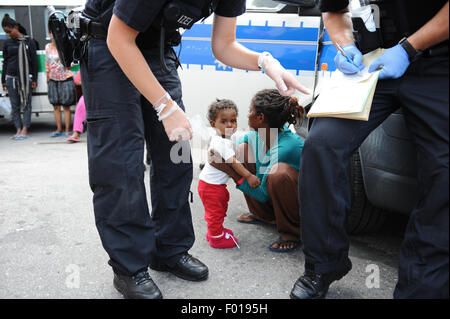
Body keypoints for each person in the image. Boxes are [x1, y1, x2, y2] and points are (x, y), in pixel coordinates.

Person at [79, 0, 310, 299]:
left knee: (176, 156)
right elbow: (119, 38)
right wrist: (164, 106)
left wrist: (266, 62)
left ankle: (170, 250)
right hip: (110, 48)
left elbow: (224, 45)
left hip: (157, 52)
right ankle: (129, 267)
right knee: (121, 166)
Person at [290, 0, 449, 299]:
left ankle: (423, 287)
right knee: (321, 145)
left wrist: (408, 48)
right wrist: (346, 46)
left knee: (445, 172)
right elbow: (334, 12)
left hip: (439, 64)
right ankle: (323, 264)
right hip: (374, 62)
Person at [209, 89, 304, 253]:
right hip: (271, 193)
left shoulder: (287, 146)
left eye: (250, 111)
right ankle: (264, 215)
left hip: (299, 204)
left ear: (260, 118)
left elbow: (265, 194)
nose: (247, 115)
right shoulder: (257, 135)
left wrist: (233, 173)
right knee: (240, 151)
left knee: (278, 173)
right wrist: (217, 151)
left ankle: (293, 232)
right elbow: (230, 153)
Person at [198, 99, 260, 249]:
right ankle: (216, 237)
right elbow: (234, 163)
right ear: (214, 124)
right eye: (224, 122)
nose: (230, 125)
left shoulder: (220, 138)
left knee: (216, 209)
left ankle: (214, 232)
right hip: (212, 186)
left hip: (208, 184)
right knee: (216, 212)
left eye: (233, 120)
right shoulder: (223, 142)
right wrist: (249, 176)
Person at [1, 14, 38, 140]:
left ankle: (25, 129)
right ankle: (18, 128)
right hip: (10, 78)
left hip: (26, 78)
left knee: (27, 104)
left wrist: (35, 79)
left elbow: (34, 62)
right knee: (15, 105)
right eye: (5, 32)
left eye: (9, 31)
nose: (8, 34)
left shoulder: (29, 41)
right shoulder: (7, 43)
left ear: (15, 28)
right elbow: (5, 62)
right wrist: (3, 80)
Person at [45, 31, 75, 138]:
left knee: (66, 106)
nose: (54, 35)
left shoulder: (65, 46)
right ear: (50, 34)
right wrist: (47, 77)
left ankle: (67, 130)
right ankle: (59, 129)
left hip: (65, 78)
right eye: (52, 33)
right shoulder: (47, 47)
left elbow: (70, 63)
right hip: (53, 79)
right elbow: (47, 63)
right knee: (55, 106)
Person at [67, 71, 85, 143]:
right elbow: (77, 81)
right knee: (81, 104)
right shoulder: (87, 64)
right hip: (91, 92)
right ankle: (76, 133)